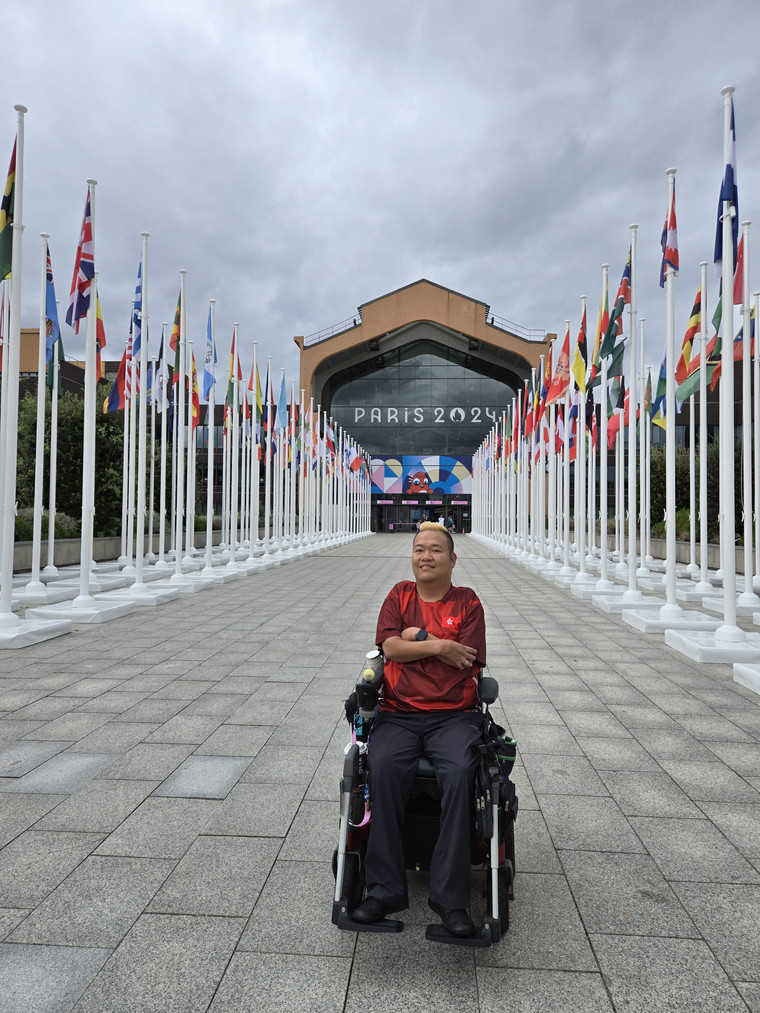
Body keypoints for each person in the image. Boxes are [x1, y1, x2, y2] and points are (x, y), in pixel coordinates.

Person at [351, 521, 486, 937]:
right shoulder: (399, 595)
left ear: (452, 558)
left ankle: (452, 901)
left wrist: (420, 638)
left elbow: (466, 660)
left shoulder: (468, 603)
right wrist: (439, 645)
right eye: (419, 549)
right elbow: (389, 647)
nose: (425, 556)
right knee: (384, 768)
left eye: (435, 550)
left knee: (462, 774)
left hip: (453, 716)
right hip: (399, 712)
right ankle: (383, 891)